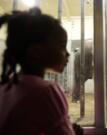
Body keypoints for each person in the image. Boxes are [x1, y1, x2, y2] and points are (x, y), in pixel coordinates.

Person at [0, 7, 82, 135]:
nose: (67, 53)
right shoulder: (46, 91)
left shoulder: (6, 86)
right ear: (36, 52)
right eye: (62, 45)